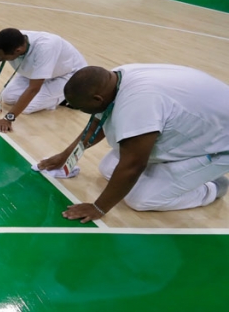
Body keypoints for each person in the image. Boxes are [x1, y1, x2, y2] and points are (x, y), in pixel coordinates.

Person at [37, 64, 229, 222]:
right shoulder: (113, 79)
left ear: (97, 99)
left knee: (141, 200)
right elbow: (97, 124)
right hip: (199, 130)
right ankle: (182, 175)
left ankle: (211, 187)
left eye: (80, 107)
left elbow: (134, 165)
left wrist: (99, 208)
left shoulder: (138, 102)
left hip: (220, 147)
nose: (78, 110)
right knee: (108, 167)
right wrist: (65, 156)